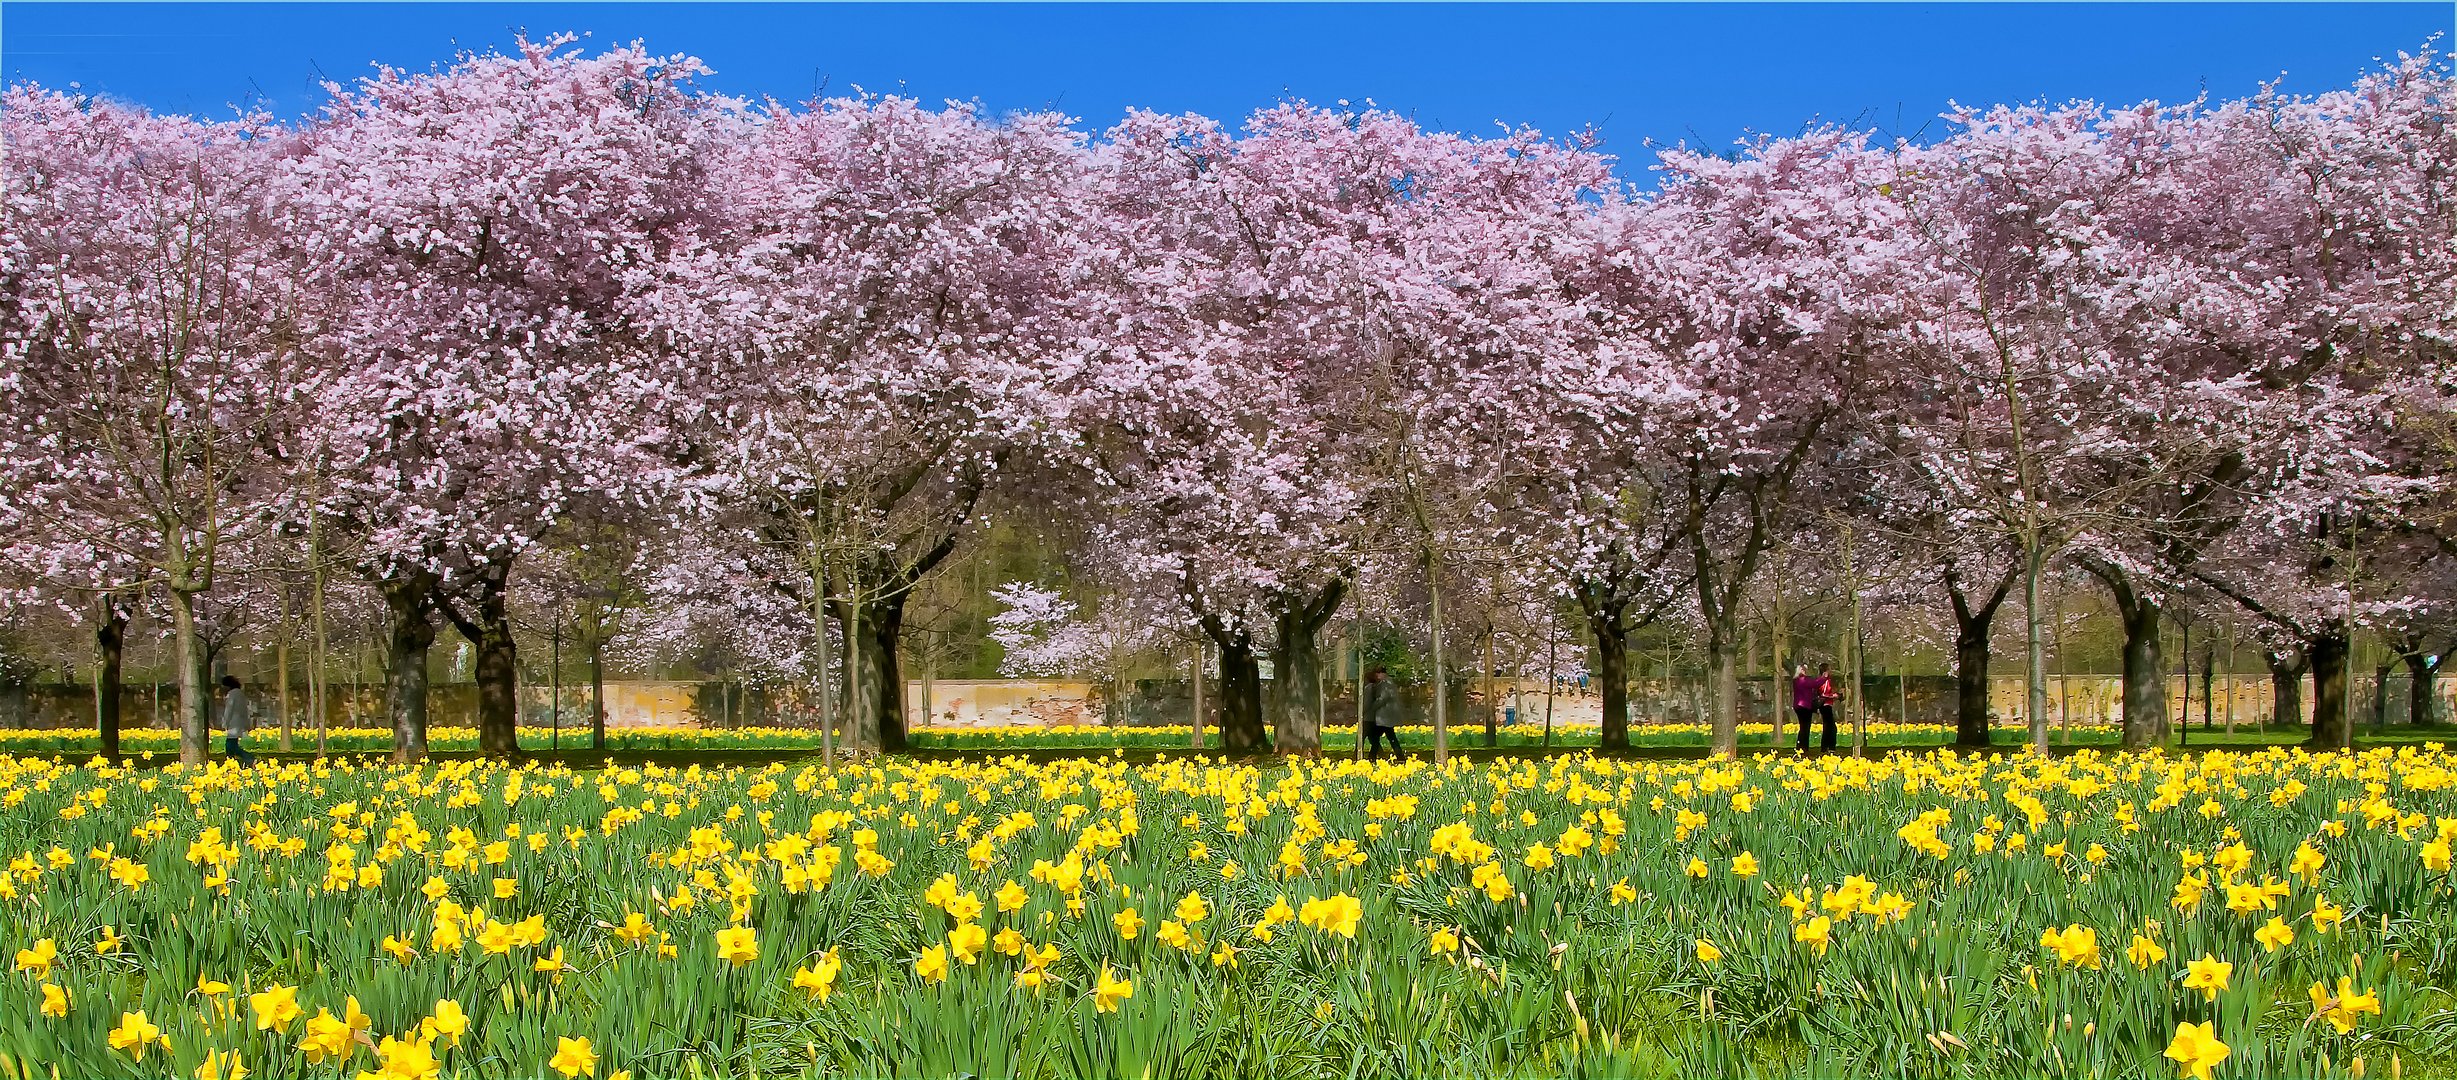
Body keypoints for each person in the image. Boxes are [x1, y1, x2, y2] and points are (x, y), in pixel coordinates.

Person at [1362, 667, 1403, 761]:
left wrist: (1372, 708)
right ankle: (1398, 756)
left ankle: (1373, 757)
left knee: (1378, 738)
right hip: (1383, 717)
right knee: (1385, 738)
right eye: (1376, 673)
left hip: (1385, 717)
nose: (1377, 675)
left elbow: (1382, 699)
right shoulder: (1383, 684)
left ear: (1384, 673)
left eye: (1379, 673)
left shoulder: (1386, 684)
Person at [219, 674, 256, 766]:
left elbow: (229, 709)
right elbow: (245, 709)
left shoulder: (231, 694)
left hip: (233, 723)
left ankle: (249, 758)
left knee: (230, 746)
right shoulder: (240, 693)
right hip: (239, 722)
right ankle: (231, 763)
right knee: (231, 746)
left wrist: (225, 723)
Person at [1791, 664, 1819, 752]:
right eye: (1804, 670)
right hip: (1804, 706)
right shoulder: (1803, 680)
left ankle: (1801, 746)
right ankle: (1803, 746)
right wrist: (1824, 678)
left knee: (1803, 726)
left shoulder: (1796, 681)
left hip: (1798, 706)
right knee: (1805, 727)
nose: (1805, 672)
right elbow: (1815, 684)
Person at [1814, 663, 1841, 751]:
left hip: (1825, 705)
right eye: (1829, 669)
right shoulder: (1824, 681)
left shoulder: (1821, 680)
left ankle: (1825, 747)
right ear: (1826, 671)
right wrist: (1834, 696)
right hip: (1826, 705)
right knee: (1831, 727)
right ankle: (1829, 746)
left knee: (1828, 726)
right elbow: (1823, 693)